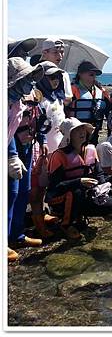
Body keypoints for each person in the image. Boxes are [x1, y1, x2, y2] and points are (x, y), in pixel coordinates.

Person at [46, 118, 112, 241]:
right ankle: (66, 224)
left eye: (83, 129)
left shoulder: (91, 149)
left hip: (85, 193)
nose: (82, 133)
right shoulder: (59, 155)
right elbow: (54, 187)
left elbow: (99, 173)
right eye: (77, 130)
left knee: (111, 205)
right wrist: (79, 182)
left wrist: (104, 187)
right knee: (76, 192)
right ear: (69, 136)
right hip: (63, 197)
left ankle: (79, 215)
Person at [7, 58, 44, 262]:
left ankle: (16, 235)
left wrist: (12, 154)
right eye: (26, 78)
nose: (30, 83)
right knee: (9, 194)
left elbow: (8, 133)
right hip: (10, 150)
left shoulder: (16, 103)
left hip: (18, 147)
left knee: (21, 190)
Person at [68, 61, 112, 144]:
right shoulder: (72, 90)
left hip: (94, 132)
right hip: (76, 132)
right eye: (91, 74)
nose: (94, 77)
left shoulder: (101, 91)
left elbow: (109, 111)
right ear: (80, 74)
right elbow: (65, 110)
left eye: (95, 75)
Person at [37, 61, 68, 153]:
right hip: (45, 146)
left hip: (60, 141)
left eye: (58, 77)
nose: (56, 80)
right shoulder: (39, 99)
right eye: (52, 77)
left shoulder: (58, 97)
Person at [40, 37, 73, 105]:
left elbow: (68, 100)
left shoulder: (64, 74)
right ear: (44, 53)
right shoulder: (33, 73)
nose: (60, 56)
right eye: (55, 52)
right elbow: (67, 100)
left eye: (62, 52)